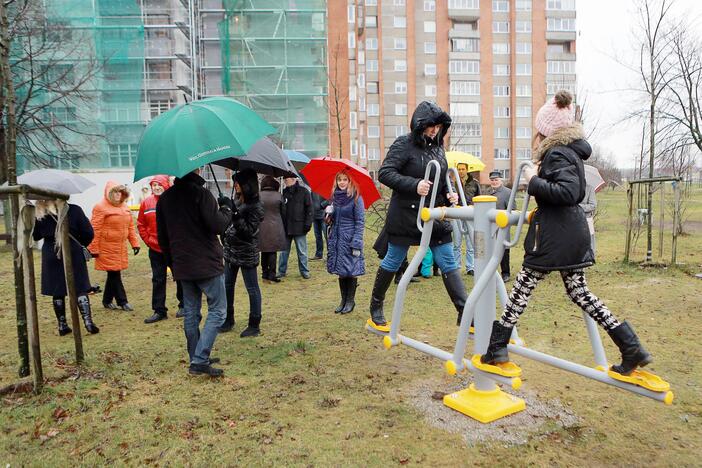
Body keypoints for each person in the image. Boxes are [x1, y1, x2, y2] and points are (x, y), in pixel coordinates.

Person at [481, 90, 652, 377]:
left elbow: (568, 192)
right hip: (569, 232)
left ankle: (497, 347)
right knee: (579, 292)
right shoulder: (570, 152)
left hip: (556, 236)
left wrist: (533, 181)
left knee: (522, 287)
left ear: (546, 131)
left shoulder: (558, 153)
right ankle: (630, 346)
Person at [369, 101, 468, 327]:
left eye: (438, 127)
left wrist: (449, 194)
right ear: (420, 125)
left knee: (447, 260)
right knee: (393, 258)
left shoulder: (438, 147)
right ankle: (376, 303)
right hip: (406, 214)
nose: (434, 131)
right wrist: (414, 184)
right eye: (431, 126)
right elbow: (385, 173)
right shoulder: (403, 144)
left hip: (433, 214)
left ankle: (464, 311)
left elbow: (441, 178)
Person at [156, 168, 233, 377]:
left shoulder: (165, 199)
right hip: (207, 263)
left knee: (191, 312)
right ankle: (199, 359)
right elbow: (218, 225)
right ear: (197, 169)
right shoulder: (201, 194)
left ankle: (196, 355)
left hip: (183, 265)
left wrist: (173, 263)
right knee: (218, 311)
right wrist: (227, 209)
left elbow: (162, 237)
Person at [33, 200, 100, 335]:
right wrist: (78, 244)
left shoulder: (41, 212)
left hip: (51, 252)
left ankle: (62, 325)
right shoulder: (74, 209)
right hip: (73, 250)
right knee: (80, 287)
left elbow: (36, 236)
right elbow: (89, 233)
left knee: (57, 289)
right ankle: (88, 322)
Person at [221, 169, 265, 337]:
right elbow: (229, 224)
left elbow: (248, 231)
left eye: (239, 182)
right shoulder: (238, 201)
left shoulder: (257, 207)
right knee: (227, 286)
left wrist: (236, 215)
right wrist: (226, 209)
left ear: (248, 185)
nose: (236, 185)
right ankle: (228, 319)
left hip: (247, 252)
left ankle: (254, 324)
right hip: (231, 251)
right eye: (235, 182)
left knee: (252, 288)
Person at [138, 175, 184, 324]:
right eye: (154, 185)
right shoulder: (146, 203)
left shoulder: (175, 201)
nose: (156, 187)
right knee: (158, 279)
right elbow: (141, 224)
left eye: (159, 185)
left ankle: (184, 305)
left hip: (172, 248)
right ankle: (159, 310)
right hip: (155, 249)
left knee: (180, 277)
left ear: (166, 185)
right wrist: (148, 240)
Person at [88, 181, 140, 312]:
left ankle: (107, 300)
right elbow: (95, 229)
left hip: (120, 246)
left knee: (113, 273)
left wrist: (135, 243)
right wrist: (93, 249)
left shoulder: (125, 207)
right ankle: (123, 301)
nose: (118, 195)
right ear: (109, 193)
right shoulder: (100, 207)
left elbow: (130, 227)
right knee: (115, 274)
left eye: (120, 192)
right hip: (106, 246)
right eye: (114, 192)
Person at [325, 171, 365, 314]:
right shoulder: (334, 198)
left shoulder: (356, 198)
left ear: (350, 181)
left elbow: (360, 222)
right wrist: (329, 215)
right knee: (341, 271)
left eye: (345, 180)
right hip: (337, 238)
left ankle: (350, 301)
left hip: (350, 238)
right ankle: (343, 300)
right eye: (339, 179)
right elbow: (333, 219)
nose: (342, 182)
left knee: (351, 269)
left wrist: (356, 241)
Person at [278, 177, 313, 279]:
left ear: (293, 179)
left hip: (300, 227)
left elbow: (309, 209)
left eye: (286, 178)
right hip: (286, 227)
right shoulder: (283, 192)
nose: (285, 180)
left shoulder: (304, 192)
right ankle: (281, 271)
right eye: (284, 178)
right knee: (284, 252)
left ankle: (304, 271)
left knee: (302, 251)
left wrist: (307, 224)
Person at [452, 163, 479, 275]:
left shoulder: (474, 183)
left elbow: (479, 197)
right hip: (457, 213)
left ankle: (470, 267)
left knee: (470, 242)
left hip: (470, 213)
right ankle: (456, 266)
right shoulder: (453, 183)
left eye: (463, 169)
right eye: (459, 169)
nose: (461, 171)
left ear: (467, 170)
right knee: (456, 242)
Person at [259, 175, 287, 283]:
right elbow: (283, 212)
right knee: (272, 252)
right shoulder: (279, 196)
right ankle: (272, 274)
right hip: (276, 225)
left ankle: (264, 273)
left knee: (264, 251)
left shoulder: (259, 196)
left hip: (262, 226)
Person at [488, 170, 512, 282]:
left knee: (504, 250)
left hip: (503, 226)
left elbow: (513, 210)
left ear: (500, 180)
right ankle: (491, 272)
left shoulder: (508, 192)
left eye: (496, 180)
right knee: (491, 249)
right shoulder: (486, 192)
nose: (494, 182)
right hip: (490, 226)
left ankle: (506, 273)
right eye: (492, 180)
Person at [580, 182, 597, 255]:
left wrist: (578, 206)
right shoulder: (570, 188)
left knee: (589, 241)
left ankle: (589, 257)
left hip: (586, 219)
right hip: (571, 220)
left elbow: (593, 205)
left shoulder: (589, 188)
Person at [311, 191, 328, 260]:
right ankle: (318, 254)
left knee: (327, 236)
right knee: (317, 236)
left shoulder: (326, 189)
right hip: (315, 215)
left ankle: (330, 254)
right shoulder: (313, 190)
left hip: (324, 215)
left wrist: (322, 205)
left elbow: (330, 199)